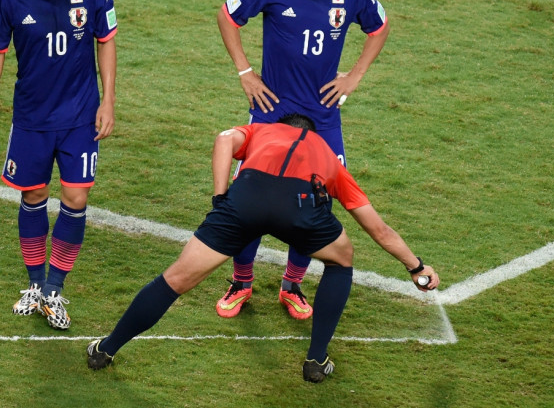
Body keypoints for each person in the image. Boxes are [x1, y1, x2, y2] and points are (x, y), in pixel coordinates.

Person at [87, 114, 439, 383]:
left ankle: (105, 349)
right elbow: (377, 228)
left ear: (280, 125)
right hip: (300, 209)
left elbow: (224, 139)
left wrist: (220, 197)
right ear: (313, 134)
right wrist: (415, 266)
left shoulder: (261, 131)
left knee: (175, 279)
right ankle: (316, 360)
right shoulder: (329, 157)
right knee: (342, 258)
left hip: (246, 201)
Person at [215, 0, 390, 320]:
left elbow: (379, 27)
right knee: (250, 200)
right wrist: (245, 71)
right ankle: (241, 281)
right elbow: (227, 17)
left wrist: (356, 74)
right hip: (270, 110)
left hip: (323, 117)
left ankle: (292, 284)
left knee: (314, 202)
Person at [0, 0, 118, 330]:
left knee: (75, 196)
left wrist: (108, 100)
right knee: (34, 193)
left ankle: (55, 289)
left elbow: (106, 41)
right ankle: (35, 285)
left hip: (80, 116)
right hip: (32, 118)